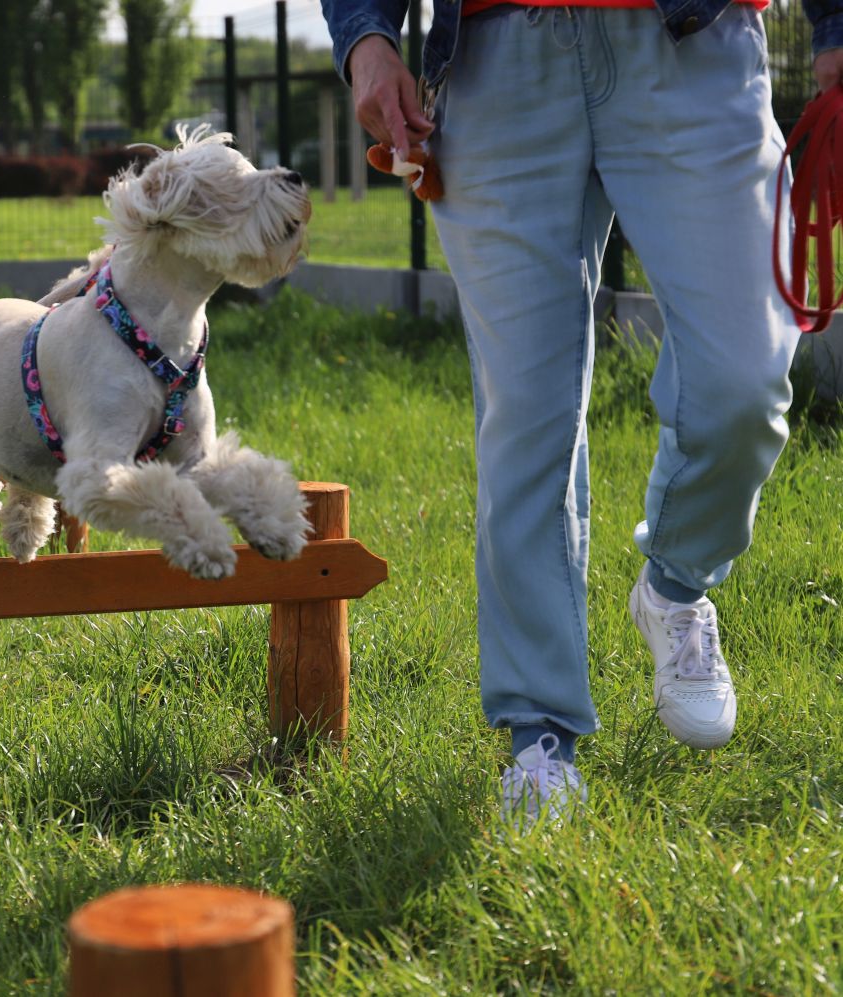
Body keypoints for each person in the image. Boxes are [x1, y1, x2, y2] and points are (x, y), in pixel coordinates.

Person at [321, 0, 842, 823]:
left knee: (745, 377)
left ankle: (674, 583)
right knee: (525, 413)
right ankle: (540, 733)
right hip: (496, 60)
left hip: (693, 48)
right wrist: (367, 40)